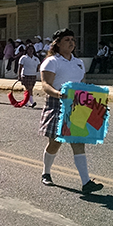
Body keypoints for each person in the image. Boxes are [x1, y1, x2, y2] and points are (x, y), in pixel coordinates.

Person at [39, 28, 103, 194]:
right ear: (58, 43)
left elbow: (82, 83)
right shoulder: (51, 61)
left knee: (78, 141)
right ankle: (46, 173)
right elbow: (46, 84)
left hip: (77, 105)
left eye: (72, 39)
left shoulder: (79, 62)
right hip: (58, 103)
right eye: (67, 39)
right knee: (56, 142)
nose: (71, 42)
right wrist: (59, 94)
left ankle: (86, 182)